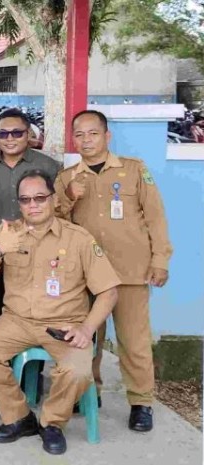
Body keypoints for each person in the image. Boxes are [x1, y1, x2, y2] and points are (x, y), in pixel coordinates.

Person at [0, 170, 120, 456]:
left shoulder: (78, 238)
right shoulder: (8, 233)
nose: (33, 205)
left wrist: (87, 329)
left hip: (65, 323)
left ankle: (52, 423)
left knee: (77, 369)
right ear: (19, 204)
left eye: (40, 198)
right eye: (25, 200)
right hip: (17, 320)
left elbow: (109, 291)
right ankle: (19, 417)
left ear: (52, 199)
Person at [54, 110, 171, 432]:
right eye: (79, 134)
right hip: (86, 276)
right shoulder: (66, 178)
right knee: (85, 338)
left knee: (133, 341)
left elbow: (156, 217)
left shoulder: (134, 170)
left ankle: (141, 402)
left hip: (130, 272)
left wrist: (160, 259)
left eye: (93, 133)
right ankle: (90, 391)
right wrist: (68, 198)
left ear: (107, 136)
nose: (86, 140)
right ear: (73, 139)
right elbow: (56, 223)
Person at [0, 108, 61, 327]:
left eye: (17, 133)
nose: (9, 138)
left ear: (28, 134)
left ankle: (30, 362)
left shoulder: (47, 166)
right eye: (3, 134)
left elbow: (57, 208)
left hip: (36, 252)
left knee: (35, 316)